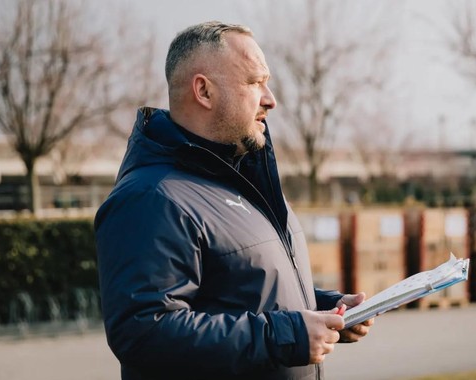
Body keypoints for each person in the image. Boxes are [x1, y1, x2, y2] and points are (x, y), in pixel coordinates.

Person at [95, 20, 373, 380]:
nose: (271, 100)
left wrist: (324, 310)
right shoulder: (151, 197)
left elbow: (245, 287)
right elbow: (145, 334)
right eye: (255, 82)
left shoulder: (245, 182)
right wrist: (287, 335)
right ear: (204, 91)